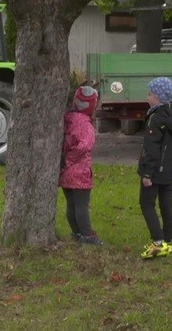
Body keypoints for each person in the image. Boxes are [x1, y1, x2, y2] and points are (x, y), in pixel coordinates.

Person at [138, 77, 172, 259]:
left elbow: (152, 147)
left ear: (158, 97)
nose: (147, 97)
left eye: (150, 94)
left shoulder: (156, 118)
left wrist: (147, 172)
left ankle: (158, 243)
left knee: (146, 204)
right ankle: (167, 241)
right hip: (169, 170)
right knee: (166, 204)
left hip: (155, 169)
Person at [61, 83, 101, 245]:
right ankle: (88, 236)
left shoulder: (67, 119)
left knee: (71, 205)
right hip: (80, 172)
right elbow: (85, 146)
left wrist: (65, 159)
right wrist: (71, 158)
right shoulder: (86, 125)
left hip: (65, 172)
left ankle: (76, 232)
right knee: (82, 206)